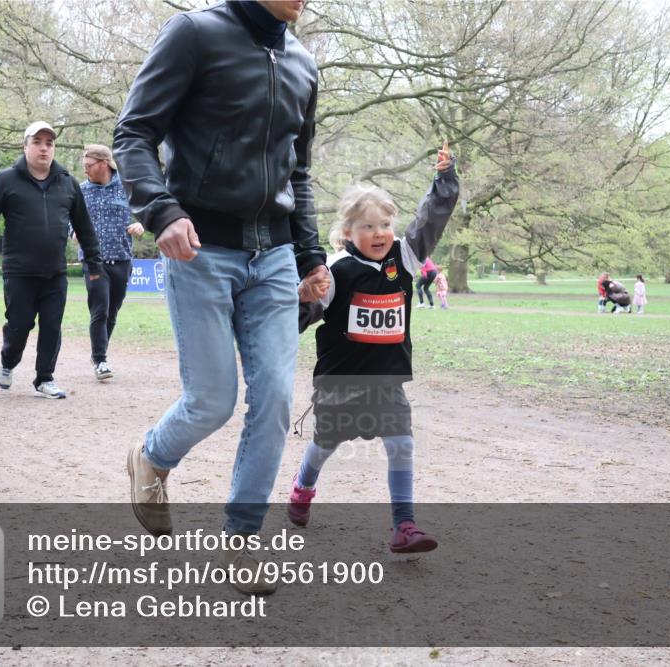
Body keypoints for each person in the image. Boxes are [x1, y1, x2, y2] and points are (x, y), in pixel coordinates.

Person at [114, 0, 327, 593]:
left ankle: (240, 541)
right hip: (199, 248)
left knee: (277, 400)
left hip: (277, 256)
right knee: (212, 401)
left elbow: (298, 172)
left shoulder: (304, 63)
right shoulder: (193, 34)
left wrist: (311, 256)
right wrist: (162, 211)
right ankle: (152, 457)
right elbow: (134, 134)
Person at [288, 142, 458, 553]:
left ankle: (404, 525)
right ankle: (302, 488)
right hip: (340, 381)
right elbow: (299, 318)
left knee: (401, 443)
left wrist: (444, 181)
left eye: (385, 224)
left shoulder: (406, 255)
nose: (379, 233)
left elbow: (430, 220)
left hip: (386, 380)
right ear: (348, 232)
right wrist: (300, 297)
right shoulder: (333, 271)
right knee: (325, 444)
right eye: (368, 227)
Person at [0, 121, 102, 399]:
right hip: (19, 273)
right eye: (37, 142)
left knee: (52, 326)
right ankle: (8, 361)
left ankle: (45, 378)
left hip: (55, 273)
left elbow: (85, 227)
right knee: (19, 326)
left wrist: (95, 262)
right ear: (25, 146)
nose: (44, 148)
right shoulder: (6, 180)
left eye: (49, 143)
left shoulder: (68, 182)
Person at [76, 144, 144, 381]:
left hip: (122, 259)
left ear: (103, 163)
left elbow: (145, 212)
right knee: (100, 310)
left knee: (112, 311)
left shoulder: (127, 187)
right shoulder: (80, 191)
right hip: (93, 261)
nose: (85, 172)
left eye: (88, 166)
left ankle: (100, 351)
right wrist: (72, 231)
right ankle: (100, 360)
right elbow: (67, 219)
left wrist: (141, 224)